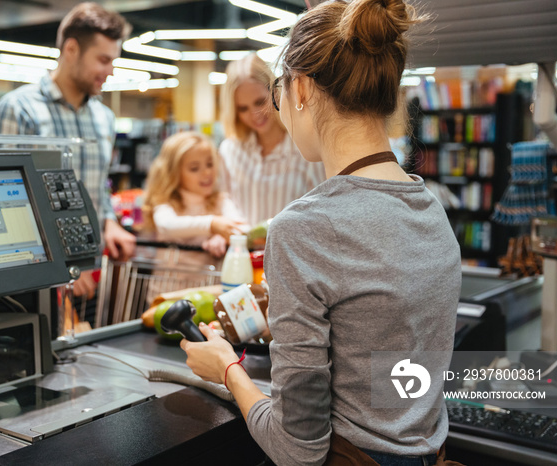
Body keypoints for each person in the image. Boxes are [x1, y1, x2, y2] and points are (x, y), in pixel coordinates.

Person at [181, 1, 462, 465]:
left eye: (277, 91)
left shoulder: (301, 229)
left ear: (303, 89)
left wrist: (228, 371)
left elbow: (298, 449)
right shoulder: (429, 208)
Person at [0, 2, 135, 298]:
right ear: (71, 50)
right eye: (103, 60)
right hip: (33, 276)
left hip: (90, 271)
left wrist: (109, 222)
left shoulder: (104, 118)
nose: (110, 71)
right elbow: (2, 198)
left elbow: (97, 186)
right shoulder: (19, 109)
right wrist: (59, 264)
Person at [218, 54, 325, 226]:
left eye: (260, 102)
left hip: (292, 250)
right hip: (242, 250)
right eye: (243, 108)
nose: (255, 115)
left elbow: (323, 207)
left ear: (276, 92)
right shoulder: (229, 150)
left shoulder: (306, 147)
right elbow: (222, 198)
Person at [142, 131, 247, 259]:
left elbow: (243, 228)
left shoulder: (220, 200)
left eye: (210, 164)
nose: (207, 172)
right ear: (173, 173)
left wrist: (222, 236)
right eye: (194, 168)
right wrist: (211, 224)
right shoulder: (166, 202)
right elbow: (166, 225)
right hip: (168, 278)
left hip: (209, 278)